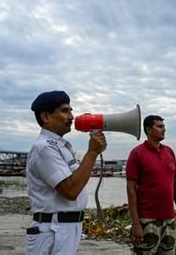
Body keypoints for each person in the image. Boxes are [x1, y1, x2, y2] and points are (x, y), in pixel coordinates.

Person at [25, 90, 107, 255]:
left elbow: (75, 179)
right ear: (46, 117)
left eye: (70, 110)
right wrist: (92, 153)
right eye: (64, 111)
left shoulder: (60, 146)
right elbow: (70, 190)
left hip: (64, 228)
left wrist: (93, 153)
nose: (71, 116)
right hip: (53, 230)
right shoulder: (44, 148)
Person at [126, 115, 176, 254]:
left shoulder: (169, 152)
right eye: (159, 126)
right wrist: (136, 224)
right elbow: (131, 190)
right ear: (148, 129)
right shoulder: (137, 154)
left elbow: (175, 185)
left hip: (169, 220)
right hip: (147, 220)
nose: (164, 129)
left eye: (164, 126)